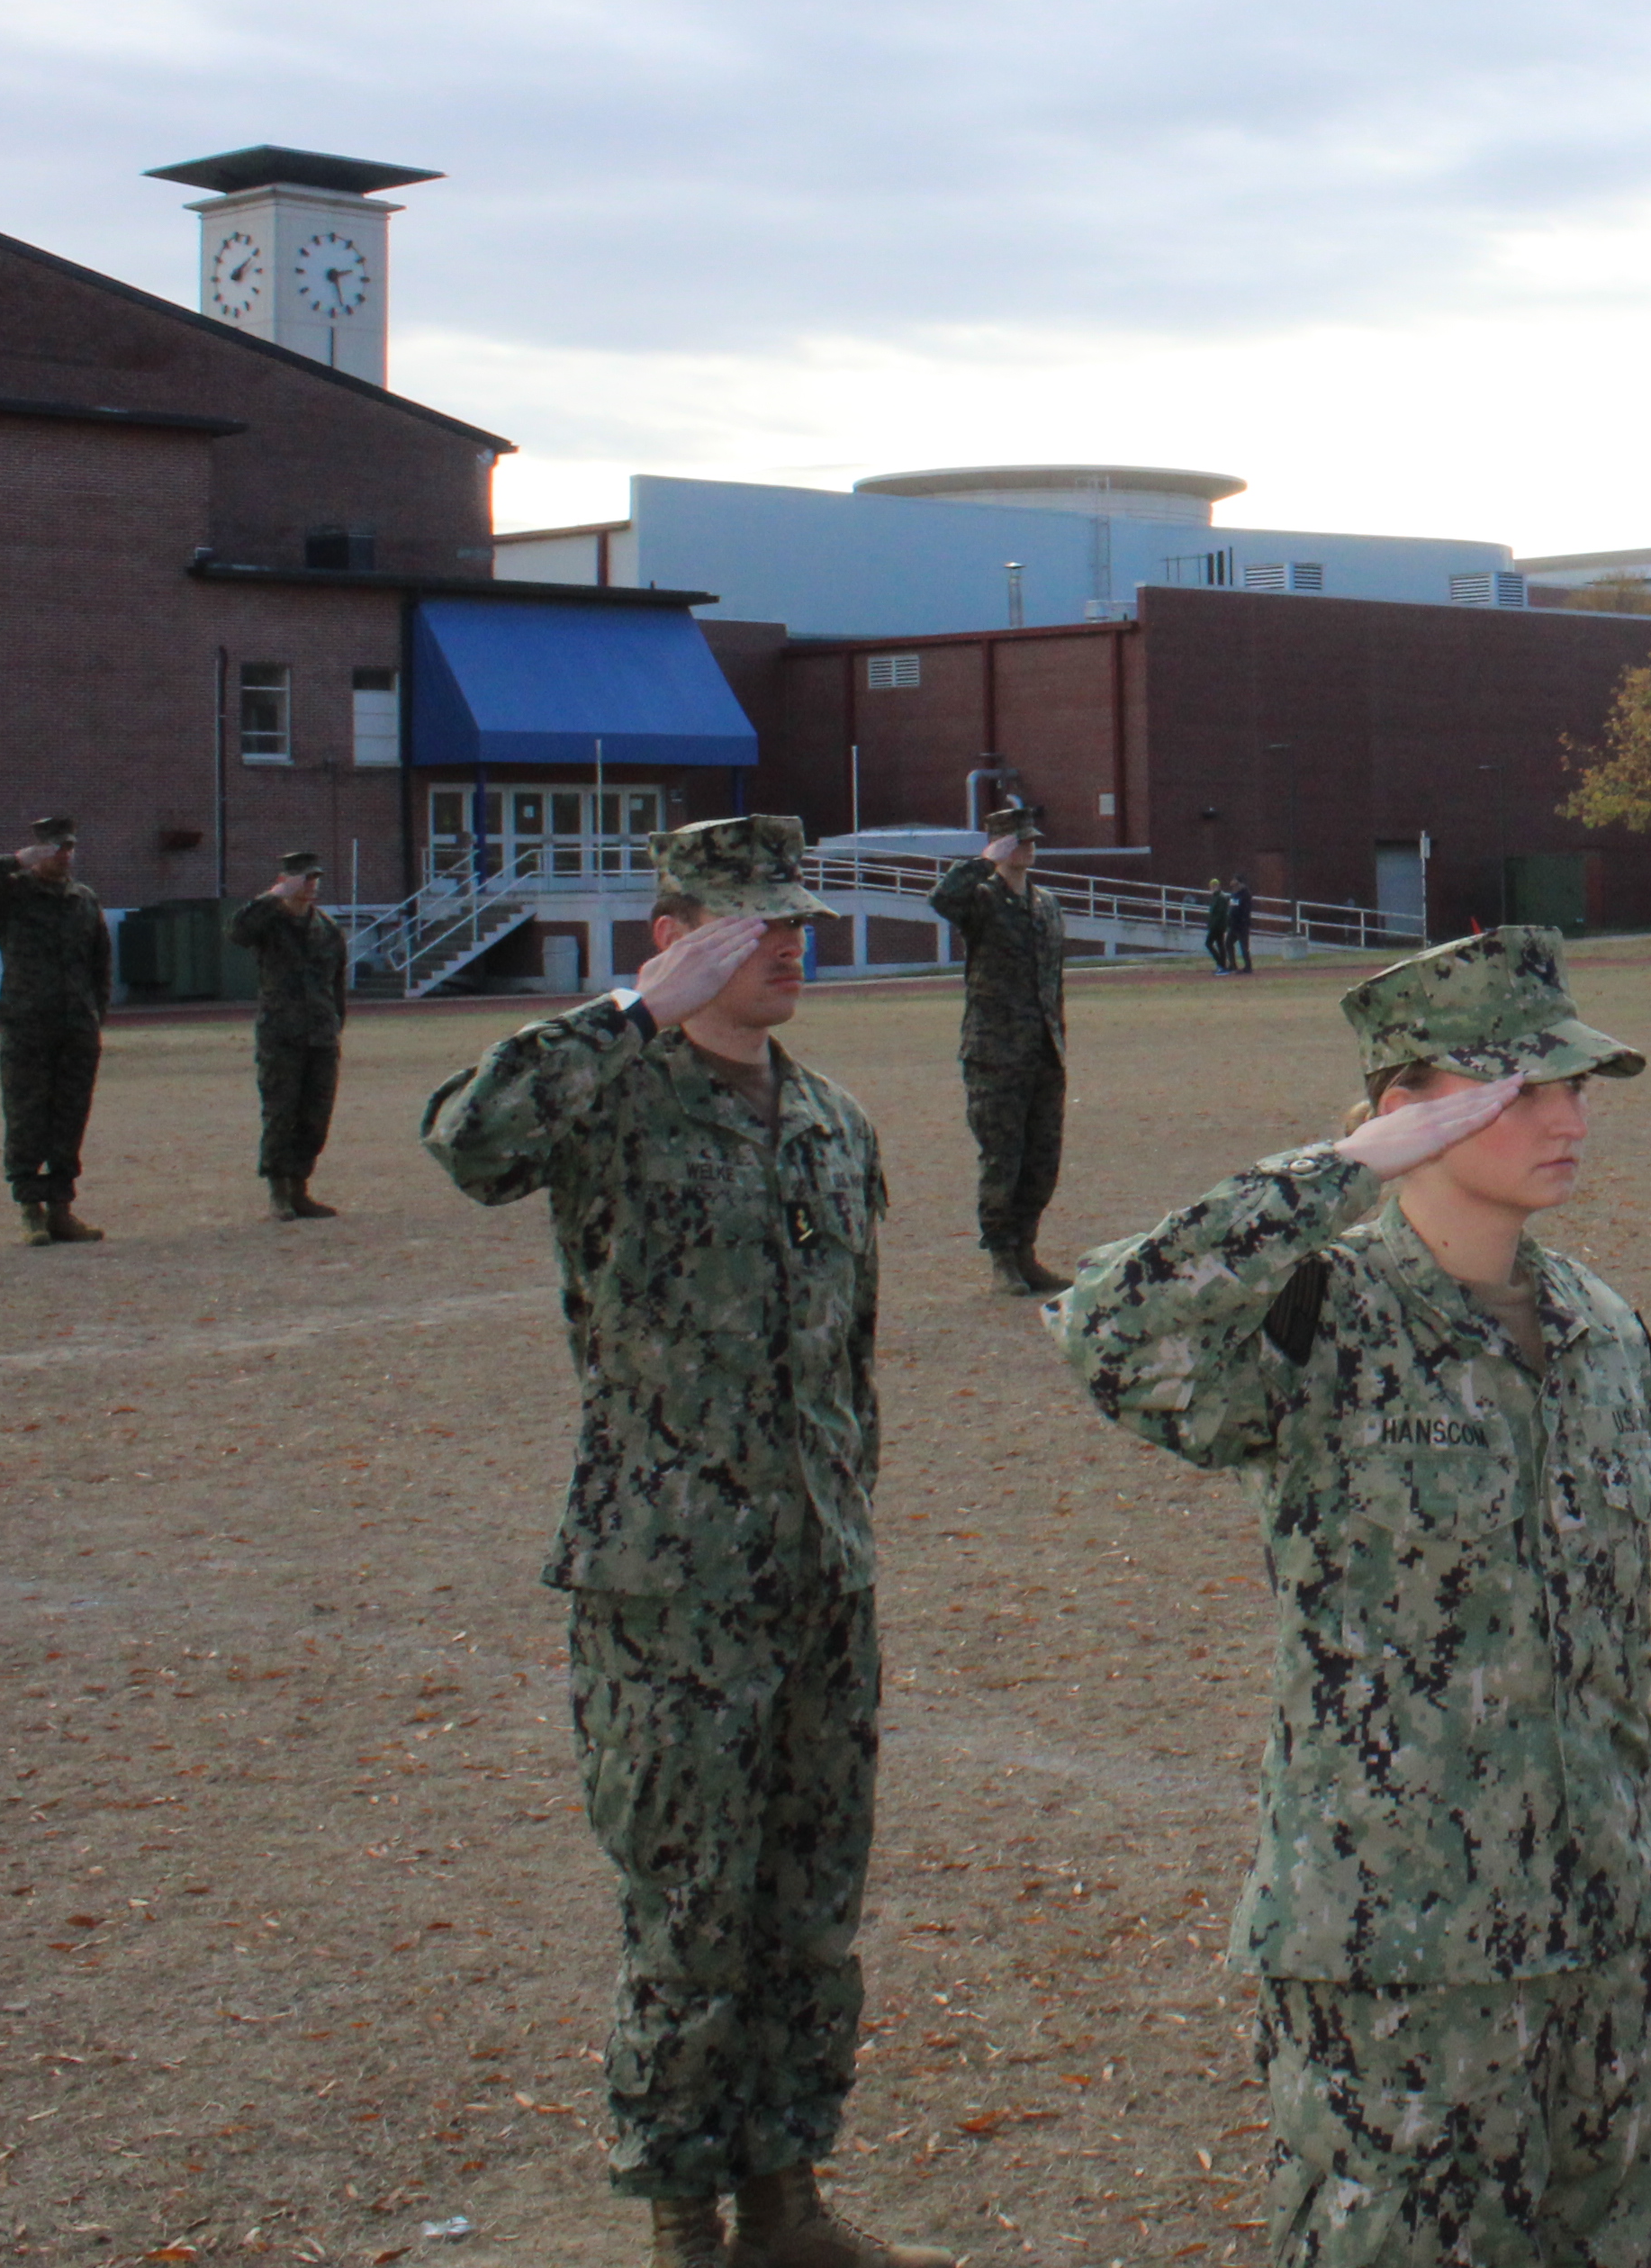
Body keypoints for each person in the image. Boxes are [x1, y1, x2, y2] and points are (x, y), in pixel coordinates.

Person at [1046, 927, 1651, 2267]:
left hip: (1601, 1940)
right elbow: (1110, 1326)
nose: (1570, 1119)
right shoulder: (1316, 1321)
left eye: (1577, 1087)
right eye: (1523, 1089)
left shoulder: (1605, 1334)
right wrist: (1338, 1175)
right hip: (1400, 1952)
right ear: (1406, 1110)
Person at [418, 816, 952, 2268]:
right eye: (745, 925)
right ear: (669, 940)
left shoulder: (833, 1123)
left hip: (818, 1573)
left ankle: (787, 2198)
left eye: (792, 923)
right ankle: (679, 2218)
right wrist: (626, 1015)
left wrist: (847, 1523)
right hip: (667, 1581)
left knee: (810, 1904)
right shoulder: (609, 1093)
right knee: (689, 1906)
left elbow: (846, 1364)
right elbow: (469, 1140)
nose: (784, 947)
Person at [0, 812, 110, 1245]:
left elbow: (100, 965)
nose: (64, 855)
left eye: (69, 848)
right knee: (26, 1115)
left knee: (70, 1117)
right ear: (38, 851)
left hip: (76, 1027)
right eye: (55, 848)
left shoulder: (83, 900)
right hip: (28, 1024)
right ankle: (30, 1209)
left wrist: (95, 1017)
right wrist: (14, 861)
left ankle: (61, 1208)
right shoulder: (11, 894)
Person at [930, 799, 1069, 1297]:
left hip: (1043, 1050)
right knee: (1002, 1157)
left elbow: (1052, 981)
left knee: (1041, 1159)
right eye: (1019, 841)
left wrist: (1058, 1040)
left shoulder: (1046, 903)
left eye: (1031, 841)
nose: (1028, 849)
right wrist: (983, 862)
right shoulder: (982, 900)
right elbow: (942, 900)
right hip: (995, 1052)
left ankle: (1026, 1251)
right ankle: (1002, 1258)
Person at [228, 847, 351, 1221]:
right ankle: (278, 1191)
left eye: (315, 878)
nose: (311, 885)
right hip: (282, 1035)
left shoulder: (327, 929)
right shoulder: (269, 922)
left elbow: (337, 985)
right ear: (284, 881)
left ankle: (300, 1188)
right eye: (303, 878)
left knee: (315, 1116)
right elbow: (237, 932)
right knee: (281, 1113)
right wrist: (273, 896)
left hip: (320, 1036)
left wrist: (335, 1025)